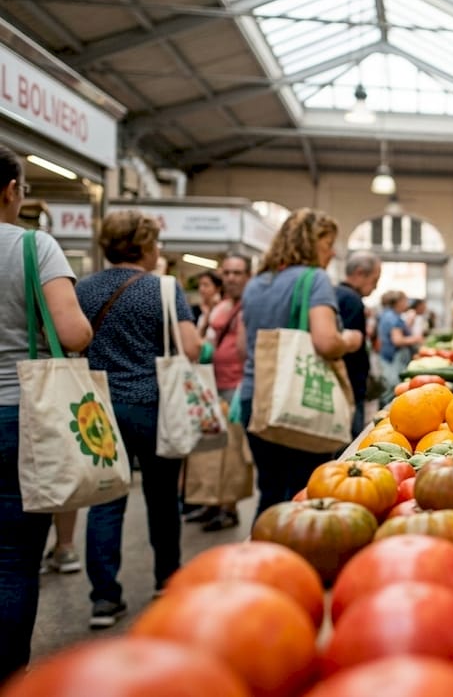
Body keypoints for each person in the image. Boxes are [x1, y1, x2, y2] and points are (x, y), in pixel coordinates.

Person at [76, 209, 202, 629]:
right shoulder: (164, 289)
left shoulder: (84, 288)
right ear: (146, 246)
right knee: (163, 496)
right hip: (154, 406)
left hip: (99, 408)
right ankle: (168, 579)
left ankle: (104, 599)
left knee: (106, 500)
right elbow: (191, 349)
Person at [0, 147, 93, 680]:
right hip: (18, 416)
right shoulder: (35, 246)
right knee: (13, 559)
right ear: (10, 191)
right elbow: (74, 333)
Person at [238, 208, 362, 517]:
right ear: (311, 243)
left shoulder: (256, 283)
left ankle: (260, 556)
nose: (332, 252)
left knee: (270, 491)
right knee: (302, 491)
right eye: (327, 243)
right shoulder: (314, 279)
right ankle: (291, 561)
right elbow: (325, 341)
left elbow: (244, 345)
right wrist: (351, 339)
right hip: (298, 401)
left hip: (256, 399)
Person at [184, 253, 251, 531]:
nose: (232, 278)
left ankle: (229, 508)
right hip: (212, 385)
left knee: (232, 452)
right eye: (228, 273)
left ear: (248, 276)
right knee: (209, 447)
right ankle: (210, 503)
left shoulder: (250, 307)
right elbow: (205, 342)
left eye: (238, 273)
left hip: (236, 387)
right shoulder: (220, 307)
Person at [335, 251, 382, 438]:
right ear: (360, 273)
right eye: (374, 280)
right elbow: (348, 349)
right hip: (349, 388)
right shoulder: (352, 301)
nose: (376, 287)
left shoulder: (335, 293)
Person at [376, 290, 422, 405]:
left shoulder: (387, 315)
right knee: (392, 389)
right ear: (398, 302)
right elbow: (397, 340)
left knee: (387, 387)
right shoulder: (394, 318)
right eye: (405, 300)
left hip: (387, 357)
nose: (407, 304)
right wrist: (416, 339)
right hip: (394, 359)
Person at [191, 270, 222, 337]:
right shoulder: (193, 310)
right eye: (200, 285)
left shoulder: (222, 309)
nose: (201, 289)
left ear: (217, 288)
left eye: (206, 285)